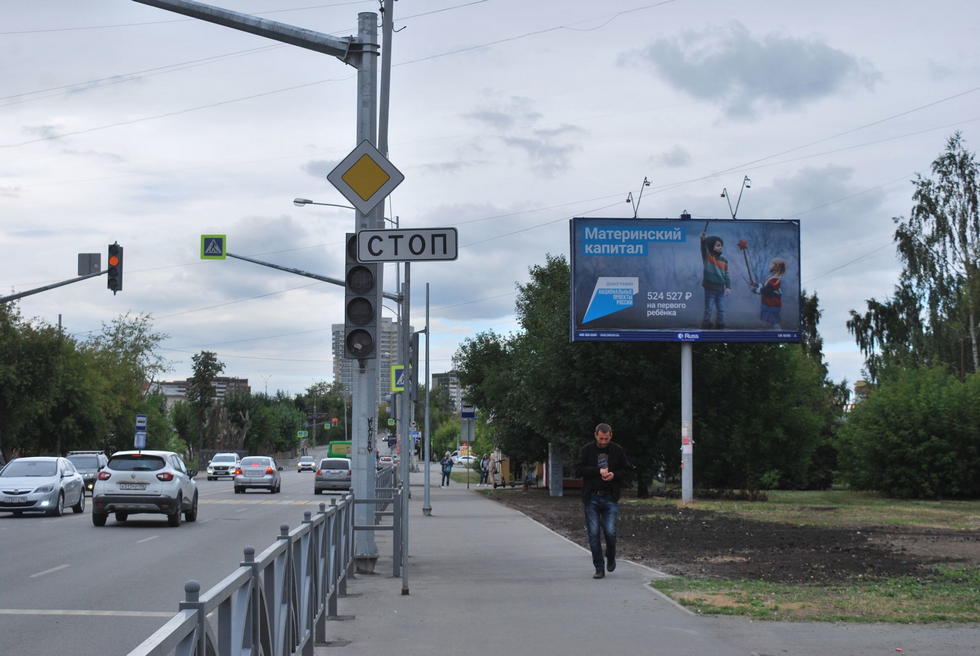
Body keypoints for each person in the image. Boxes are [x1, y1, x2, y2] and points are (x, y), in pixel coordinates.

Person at [576, 423, 632, 579]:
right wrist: (597, 471)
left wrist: (614, 474)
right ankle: (599, 568)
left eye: (606, 439)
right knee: (593, 534)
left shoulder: (617, 450)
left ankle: (611, 554)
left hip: (610, 497)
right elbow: (578, 470)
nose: (603, 442)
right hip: (591, 497)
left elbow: (626, 470)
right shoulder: (587, 450)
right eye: (601, 438)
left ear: (611, 436)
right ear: (595, 435)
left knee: (610, 532)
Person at [700, 233, 731, 329]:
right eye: (718, 245)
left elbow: (726, 274)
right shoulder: (708, 258)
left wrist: (728, 287)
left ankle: (720, 324)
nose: (720, 247)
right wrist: (703, 241)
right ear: (711, 246)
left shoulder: (724, 260)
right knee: (709, 308)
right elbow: (704, 249)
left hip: (720, 289)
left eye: (721, 245)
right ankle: (706, 323)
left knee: (721, 309)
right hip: (710, 288)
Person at [753, 258, 786, 328]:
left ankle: (778, 335)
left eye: (772, 264)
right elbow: (766, 286)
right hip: (769, 305)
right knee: (770, 323)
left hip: (771, 305)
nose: (770, 265)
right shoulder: (773, 277)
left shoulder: (775, 279)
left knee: (774, 323)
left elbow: (766, 290)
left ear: (776, 267)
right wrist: (756, 285)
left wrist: (756, 290)